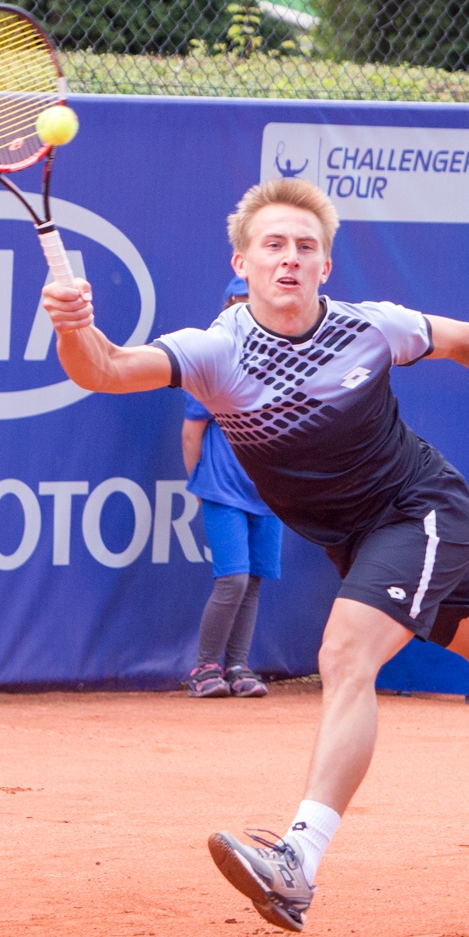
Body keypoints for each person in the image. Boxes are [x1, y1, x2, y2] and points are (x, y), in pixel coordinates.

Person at [41, 178, 469, 933]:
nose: (290, 259)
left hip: (422, 508)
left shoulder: (368, 327)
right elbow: (106, 368)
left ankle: (298, 860)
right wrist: (71, 328)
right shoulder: (215, 351)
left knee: (345, 655)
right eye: (274, 246)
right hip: (357, 540)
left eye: (306, 247)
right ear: (243, 262)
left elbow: (467, 340)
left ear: (325, 265)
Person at [180, 278, 283, 699]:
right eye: (238, 302)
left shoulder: (285, 364)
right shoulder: (215, 363)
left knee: (254, 579)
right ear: (227, 308)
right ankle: (204, 667)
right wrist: (201, 483)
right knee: (234, 580)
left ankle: (238, 665)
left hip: (271, 495)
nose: (245, 309)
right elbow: (192, 435)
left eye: (251, 301)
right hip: (223, 489)